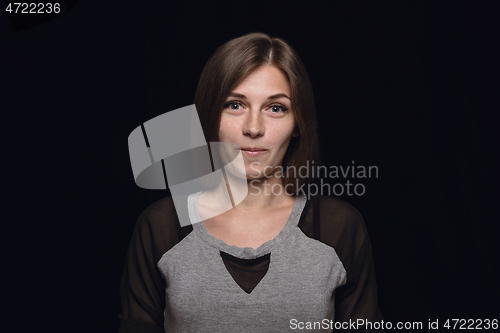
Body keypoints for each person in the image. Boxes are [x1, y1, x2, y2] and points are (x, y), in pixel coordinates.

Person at [118, 32, 383, 332]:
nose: (253, 128)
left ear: (298, 124)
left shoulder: (339, 228)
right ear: (210, 116)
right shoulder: (161, 226)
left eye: (276, 108)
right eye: (235, 105)